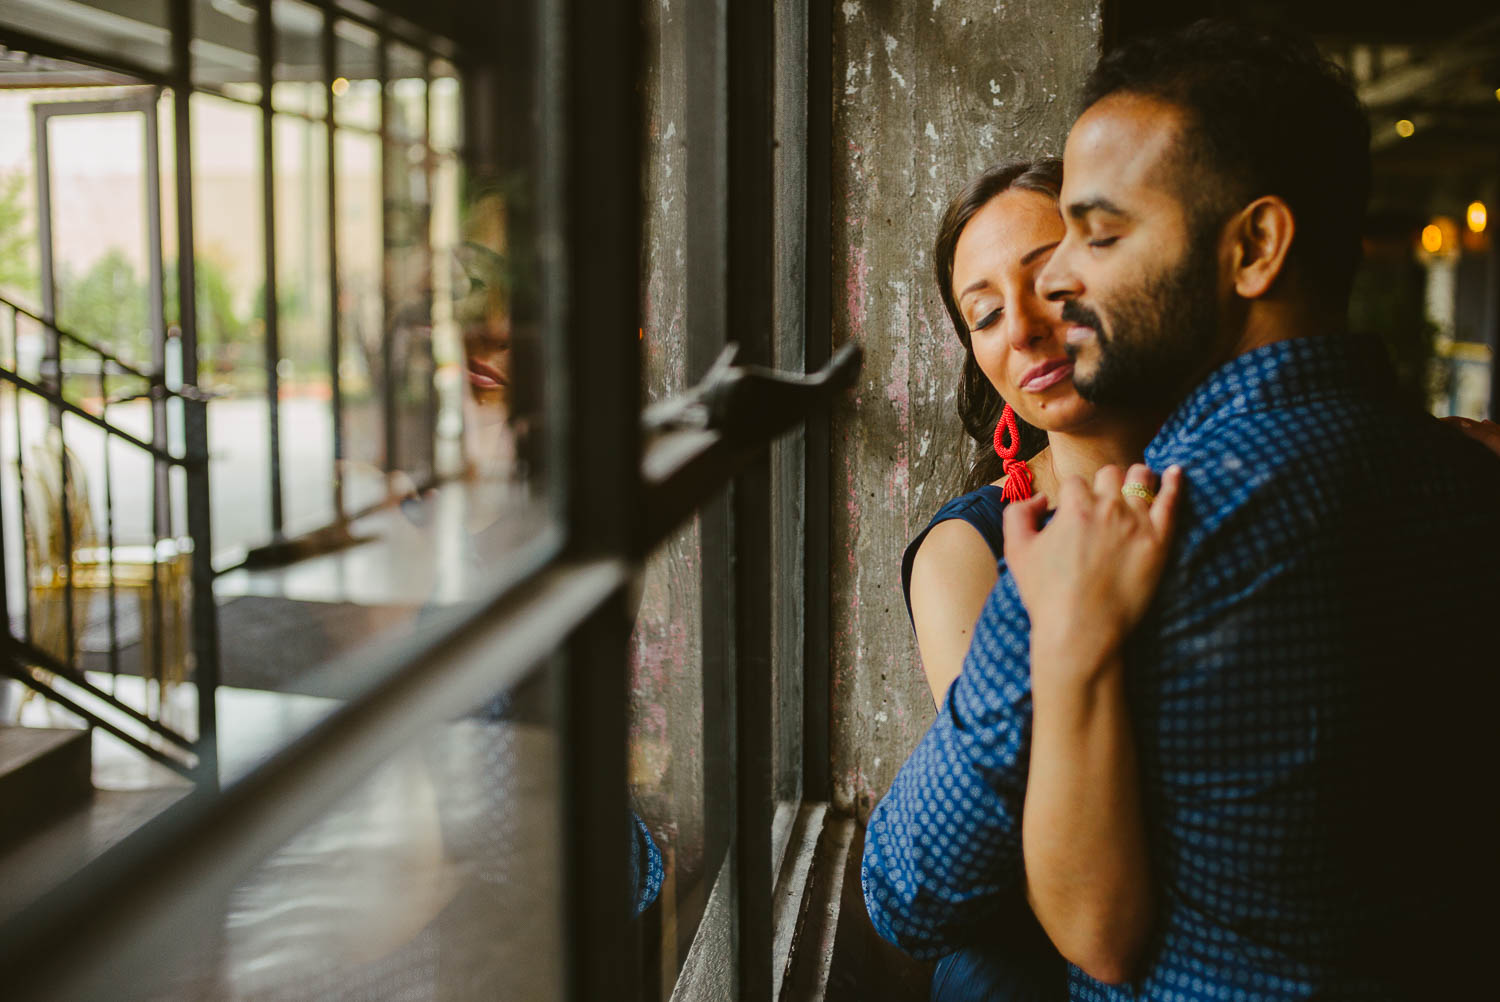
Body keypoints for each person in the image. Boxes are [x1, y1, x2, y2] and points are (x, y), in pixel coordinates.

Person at [864, 19, 1500, 1001]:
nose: (1062, 284)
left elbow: (907, 891)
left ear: (1253, 247)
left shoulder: (1113, 548)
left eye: (1100, 235)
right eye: (984, 307)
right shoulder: (1464, 481)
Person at [901, 158, 1173, 998]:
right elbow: (1006, 815)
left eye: (1051, 279)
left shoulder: (1238, 476)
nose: (1020, 330)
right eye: (983, 315)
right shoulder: (969, 550)